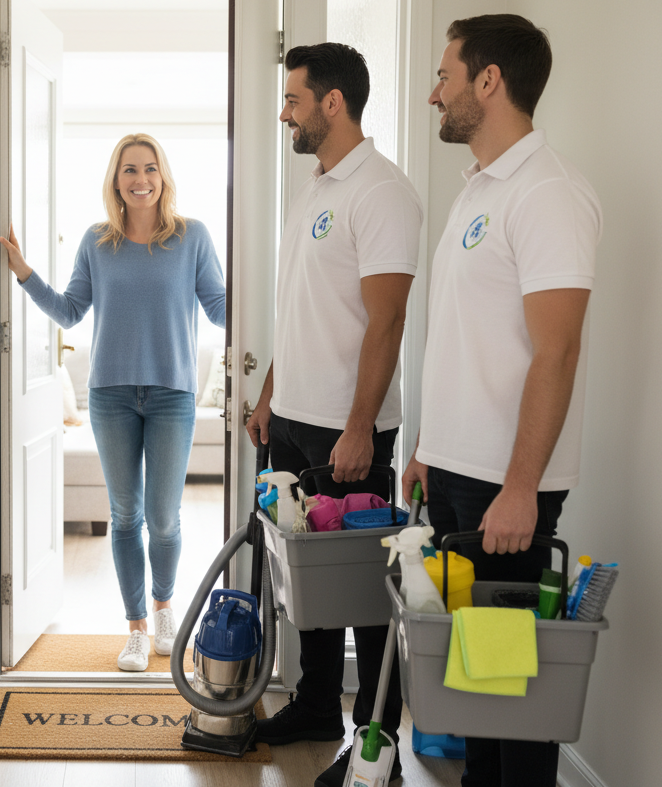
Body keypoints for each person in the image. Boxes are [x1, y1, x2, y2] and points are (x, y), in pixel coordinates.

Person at [402, 15, 602, 787]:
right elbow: (464, 337)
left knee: (515, 697)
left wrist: (521, 487)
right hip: (458, 473)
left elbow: (558, 350)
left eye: (446, 76)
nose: (434, 93)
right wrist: (426, 445)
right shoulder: (479, 190)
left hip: (504, 489)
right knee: (472, 687)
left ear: (489, 82)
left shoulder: (548, 193)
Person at [246, 43, 422, 787]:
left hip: (345, 430)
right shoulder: (314, 189)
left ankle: (374, 740)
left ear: (333, 103)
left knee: (361, 591)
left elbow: (386, 322)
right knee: (305, 583)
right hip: (291, 419)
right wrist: (270, 395)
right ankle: (317, 704)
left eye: (293, 99)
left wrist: (359, 427)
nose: (284, 111)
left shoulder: (380, 193)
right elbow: (304, 311)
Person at [0, 133, 226, 672]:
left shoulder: (192, 237)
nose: (141, 178)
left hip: (172, 395)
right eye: (130, 169)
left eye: (150, 168)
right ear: (116, 179)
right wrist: (24, 272)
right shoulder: (97, 241)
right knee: (125, 517)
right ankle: (135, 628)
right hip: (111, 396)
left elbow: (219, 309)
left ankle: (165, 607)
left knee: (164, 518)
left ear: (163, 176)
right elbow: (71, 309)